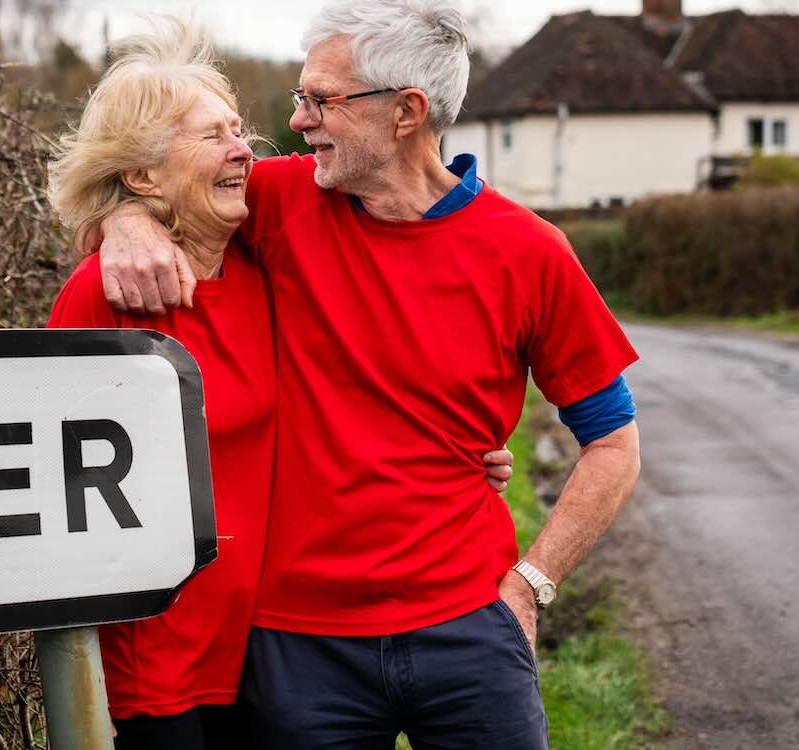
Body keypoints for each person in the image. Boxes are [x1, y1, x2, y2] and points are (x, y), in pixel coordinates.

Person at [94, 1, 643, 748]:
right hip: (298, 646)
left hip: (471, 627)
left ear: (405, 113)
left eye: (321, 99)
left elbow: (612, 442)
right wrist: (124, 222)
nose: (299, 121)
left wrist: (534, 582)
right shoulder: (282, 201)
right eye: (300, 97)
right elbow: (165, 181)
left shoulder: (531, 253)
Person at [43, 18, 516, 750]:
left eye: (238, 129)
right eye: (212, 136)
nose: (246, 150)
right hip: (161, 657)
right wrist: (122, 220)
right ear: (141, 174)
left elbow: (350, 384)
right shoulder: (110, 297)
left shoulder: (264, 267)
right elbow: (57, 479)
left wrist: (458, 451)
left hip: (265, 652)